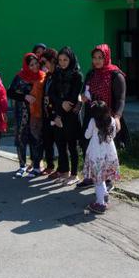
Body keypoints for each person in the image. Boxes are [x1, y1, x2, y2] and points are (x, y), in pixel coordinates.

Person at [78, 43, 128, 188]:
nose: (97, 60)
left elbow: (121, 99)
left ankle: (107, 179)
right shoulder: (91, 73)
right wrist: (83, 97)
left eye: (100, 57)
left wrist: (117, 117)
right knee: (87, 145)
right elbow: (84, 92)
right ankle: (90, 176)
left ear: (106, 57)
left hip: (107, 118)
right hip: (91, 116)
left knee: (106, 149)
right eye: (94, 57)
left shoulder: (116, 75)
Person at [49, 46, 84, 184]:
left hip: (71, 115)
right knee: (60, 143)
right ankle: (65, 172)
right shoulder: (57, 73)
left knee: (72, 145)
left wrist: (63, 106)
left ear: (71, 60)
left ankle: (74, 174)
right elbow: (52, 94)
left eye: (65, 60)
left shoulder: (77, 75)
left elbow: (73, 97)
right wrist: (58, 111)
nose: (62, 63)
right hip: (58, 113)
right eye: (60, 60)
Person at [8, 53, 45, 177]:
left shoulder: (42, 76)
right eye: (31, 65)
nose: (35, 66)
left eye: (36, 63)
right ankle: (22, 166)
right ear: (26, 66)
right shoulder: (20, 77)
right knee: (21, 138)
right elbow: (10, 92)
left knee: (36, 138)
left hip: (37, 113)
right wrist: (24, 97)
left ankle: (36, 166)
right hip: (22, 112)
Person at [83, 101, 119, 214]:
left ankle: (100, 203)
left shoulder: (93, 121)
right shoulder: (112, 120)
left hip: (96, 154)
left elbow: (87, 135)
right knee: (104, 176)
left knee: (98, 179)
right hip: (110, 153)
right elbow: (113, 135)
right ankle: (104, 194)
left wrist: (88, 131)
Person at [40, 48, 59, 175]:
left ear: (52, 60)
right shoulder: (48, 75)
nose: (43, 65)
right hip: (47, 113)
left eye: (44, 62)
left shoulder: (59, 75)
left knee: (59, 142)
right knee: (47, 140)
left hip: (56, 113)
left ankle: (62, 169)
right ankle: (50, 165)